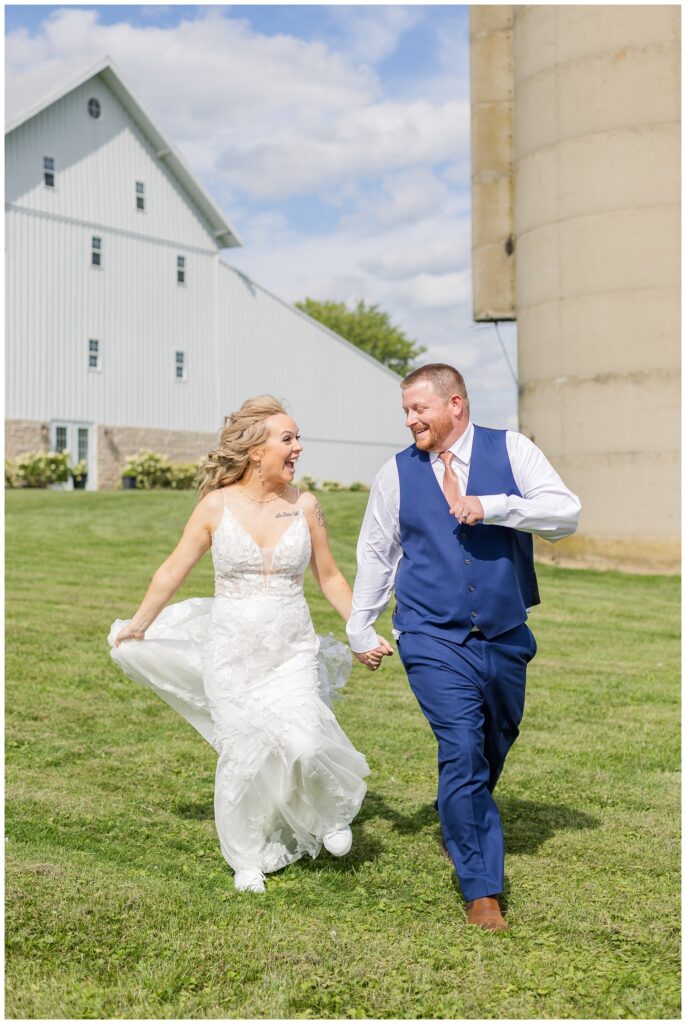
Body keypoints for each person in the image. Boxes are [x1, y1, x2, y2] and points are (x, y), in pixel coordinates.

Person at [109, 396, 376, 894]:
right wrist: (140, 623)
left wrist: (362, 628)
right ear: (256, 451)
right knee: (246, 756)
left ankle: (325, 816)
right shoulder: (216, 506)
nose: (298, 447)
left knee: (305, 739)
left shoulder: (305, 504)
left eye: (298, 437)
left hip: (290, 648)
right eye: (288, 438)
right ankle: (247, 857)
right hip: (231, 654)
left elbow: (332, 578)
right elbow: (173, 568)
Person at [347, 363, 581, 931]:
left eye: (418, 409)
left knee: (494, 738)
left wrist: (497, 505)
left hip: (503, 633)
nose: (410, 421)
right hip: (428, 633)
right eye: (405, 411)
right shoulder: (395, 474)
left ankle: (459, 818)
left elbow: (566, 514)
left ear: (455, 404)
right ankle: (481, 889)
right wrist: (360, 625)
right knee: (460, 746)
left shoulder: (513, 451)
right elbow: (378, 553)